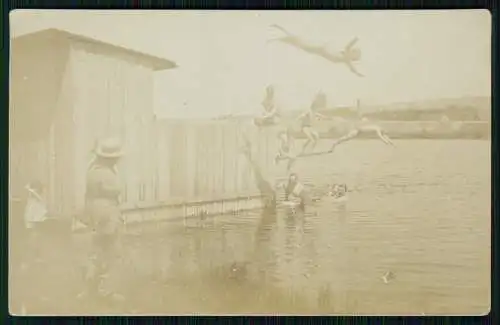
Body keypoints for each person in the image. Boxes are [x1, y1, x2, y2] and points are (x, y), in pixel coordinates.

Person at [76, 137, 125, 302]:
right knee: (111, 253)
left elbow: (89, 197)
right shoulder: (104, 174)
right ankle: (105, 291)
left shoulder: (93, 170)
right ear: (110, 158)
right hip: (106, 215)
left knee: (96, 253)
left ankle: (89, 290)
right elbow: (112, 192)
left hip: (98, 215)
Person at [269, 24, 364, 77]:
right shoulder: (346, 57)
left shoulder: (346, 59)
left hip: (320, 49)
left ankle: (280, 34)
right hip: (320, 48)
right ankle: (280, 32)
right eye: (355, 55)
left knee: (299, 43)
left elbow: (352, 67)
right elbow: (349, 47)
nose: (353, 57)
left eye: (355, 57)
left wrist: (358, 73)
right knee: (299, 42)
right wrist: (356, 39)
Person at [329, 117, 395, 152]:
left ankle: (335, 144)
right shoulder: (377, 129)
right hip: (358, 131)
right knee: (346, 138)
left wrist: (392, 143)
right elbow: (380, 136)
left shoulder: (378, 128)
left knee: (346, 138)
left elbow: (385, 136)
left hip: (359, 131)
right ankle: (334, 143)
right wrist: (386, 142)